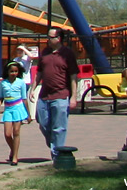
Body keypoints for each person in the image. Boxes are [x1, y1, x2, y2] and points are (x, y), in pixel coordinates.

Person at [33, 34, 77, 162]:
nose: (48, 39)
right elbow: (39, 72)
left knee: (59, 127)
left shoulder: (67, 54)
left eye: (51, 37)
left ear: (59, 39)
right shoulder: (45, 52)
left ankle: (57, 155)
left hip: (61, 96)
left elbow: (73, 76)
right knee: (43, 124)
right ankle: (54, 143)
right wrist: (33, 88)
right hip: (44, 96)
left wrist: (73, 97)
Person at [0, 60, 30, 166]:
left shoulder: (21, 83)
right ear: (7, 72)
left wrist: (28, 114)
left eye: (16, 71)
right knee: (7, 134)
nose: (14, 74)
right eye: (12, 71)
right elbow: (1, 97)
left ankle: (15, 157)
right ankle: (13, 149)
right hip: (8, 109)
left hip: (18, 108)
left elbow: (24, 99)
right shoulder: (3, 83)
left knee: (16, 132)